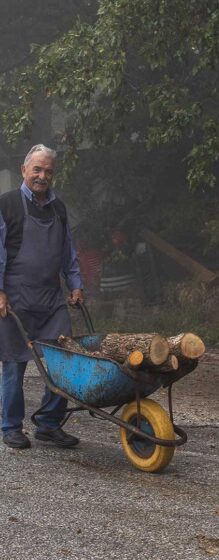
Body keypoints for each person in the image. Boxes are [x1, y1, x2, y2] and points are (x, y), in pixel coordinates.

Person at [0, 144, 84, 449]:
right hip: (15, 300)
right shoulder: (6, 204)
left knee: (64, 358)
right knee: (14, 363)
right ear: (24, 170)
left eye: (48, 170)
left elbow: (68, 252)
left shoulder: (58, 208)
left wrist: (75, 284)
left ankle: (48, 424)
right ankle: (11, 426)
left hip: (51, 299)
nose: (42, 175)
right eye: (37, 169)